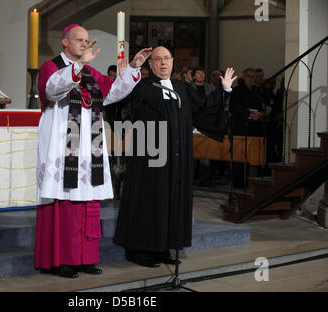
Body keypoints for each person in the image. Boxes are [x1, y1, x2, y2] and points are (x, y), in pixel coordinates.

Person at [35, 24, 152, 278]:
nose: (84, 45)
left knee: (87, 201)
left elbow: (112, 92)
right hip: (61, 146)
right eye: (79, 40)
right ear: (65, 42)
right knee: (63, 201)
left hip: (89, 147)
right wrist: (77, 67)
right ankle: (60, 260)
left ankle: (83, 258)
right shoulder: (51, 67)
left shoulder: (89, 71)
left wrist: (133, 68)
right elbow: (53, 90)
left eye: (87, 41)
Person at [113, 46, 236, 268]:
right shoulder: (141, 87)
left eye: (167, 58)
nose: (163, 63)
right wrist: (129, 73)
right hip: (149, 155)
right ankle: (140, 250)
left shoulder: (182, 87)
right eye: (157, 59)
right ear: (150, 65)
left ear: (172, 61)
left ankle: (163, 247)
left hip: (178, 158)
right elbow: (120, 108)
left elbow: (203, 110)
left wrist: (223, 91)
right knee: (148, 200)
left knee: (171, 199)